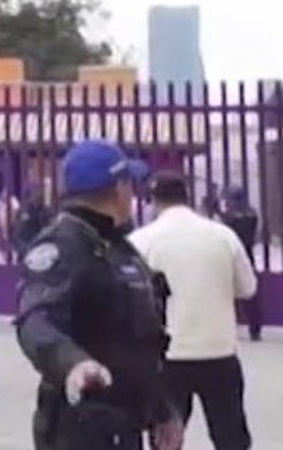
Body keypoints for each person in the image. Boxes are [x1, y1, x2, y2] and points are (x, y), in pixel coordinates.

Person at [15, 140, 183, 450]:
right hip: (81, 424)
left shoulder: (118, 246)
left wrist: (161, 409)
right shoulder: (62, 246)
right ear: (119, 188)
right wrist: (73, 363)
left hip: (125, 422)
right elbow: (35, 318)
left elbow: (139, 340)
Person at [130, 171, 255, 450]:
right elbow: (247, 288)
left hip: (169, 355)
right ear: (188, 197)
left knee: (167, 438)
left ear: (153, 201)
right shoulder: (223, 236)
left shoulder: (141, 240)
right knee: (230, 436)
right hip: (219, 350)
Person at [221, 186, 263, 341]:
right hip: (247, 255)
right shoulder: (251, 213)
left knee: (229, 292)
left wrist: (219, 212)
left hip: (233, 254)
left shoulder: (233, 216)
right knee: (249, 292)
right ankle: (255, 328)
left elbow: (229, 229)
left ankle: (232, 325)